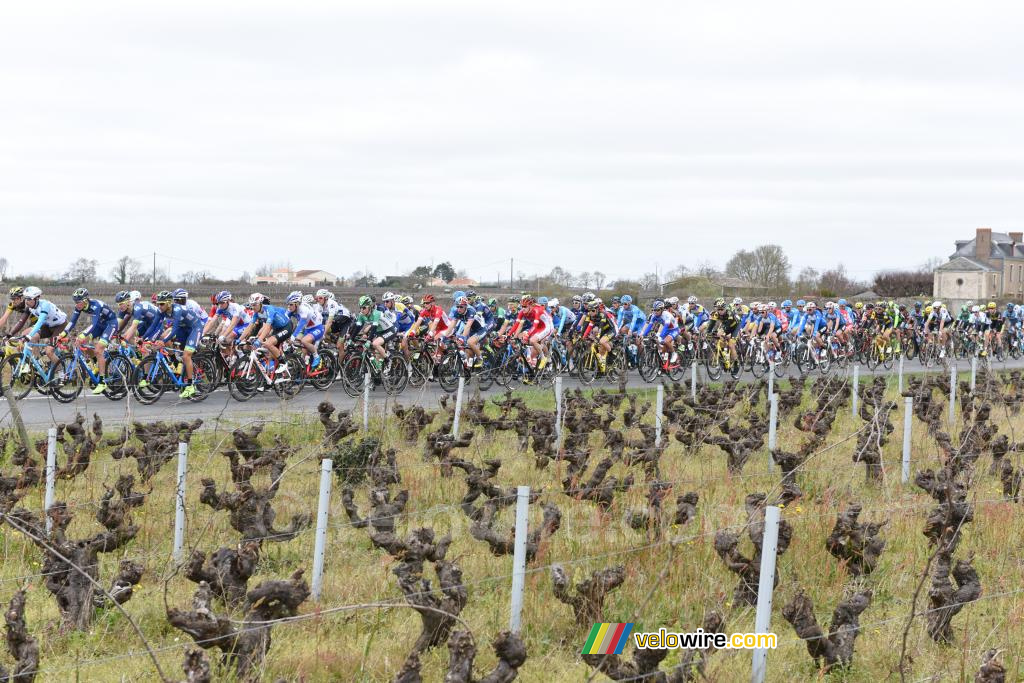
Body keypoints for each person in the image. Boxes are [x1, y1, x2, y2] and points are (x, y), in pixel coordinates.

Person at [63, 288, 119, 394]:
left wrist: (83, 334)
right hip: (99, 325)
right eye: (75, 302)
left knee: (98, 349)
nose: (77, 304)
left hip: (110, 324)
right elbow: (72, 322)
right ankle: (97, 362)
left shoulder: (95, 305)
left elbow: (93, 324)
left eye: (78, 302)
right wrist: (63, 334)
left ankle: (102, 382)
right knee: (81, 342)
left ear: (85, 300)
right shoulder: (79, 307)